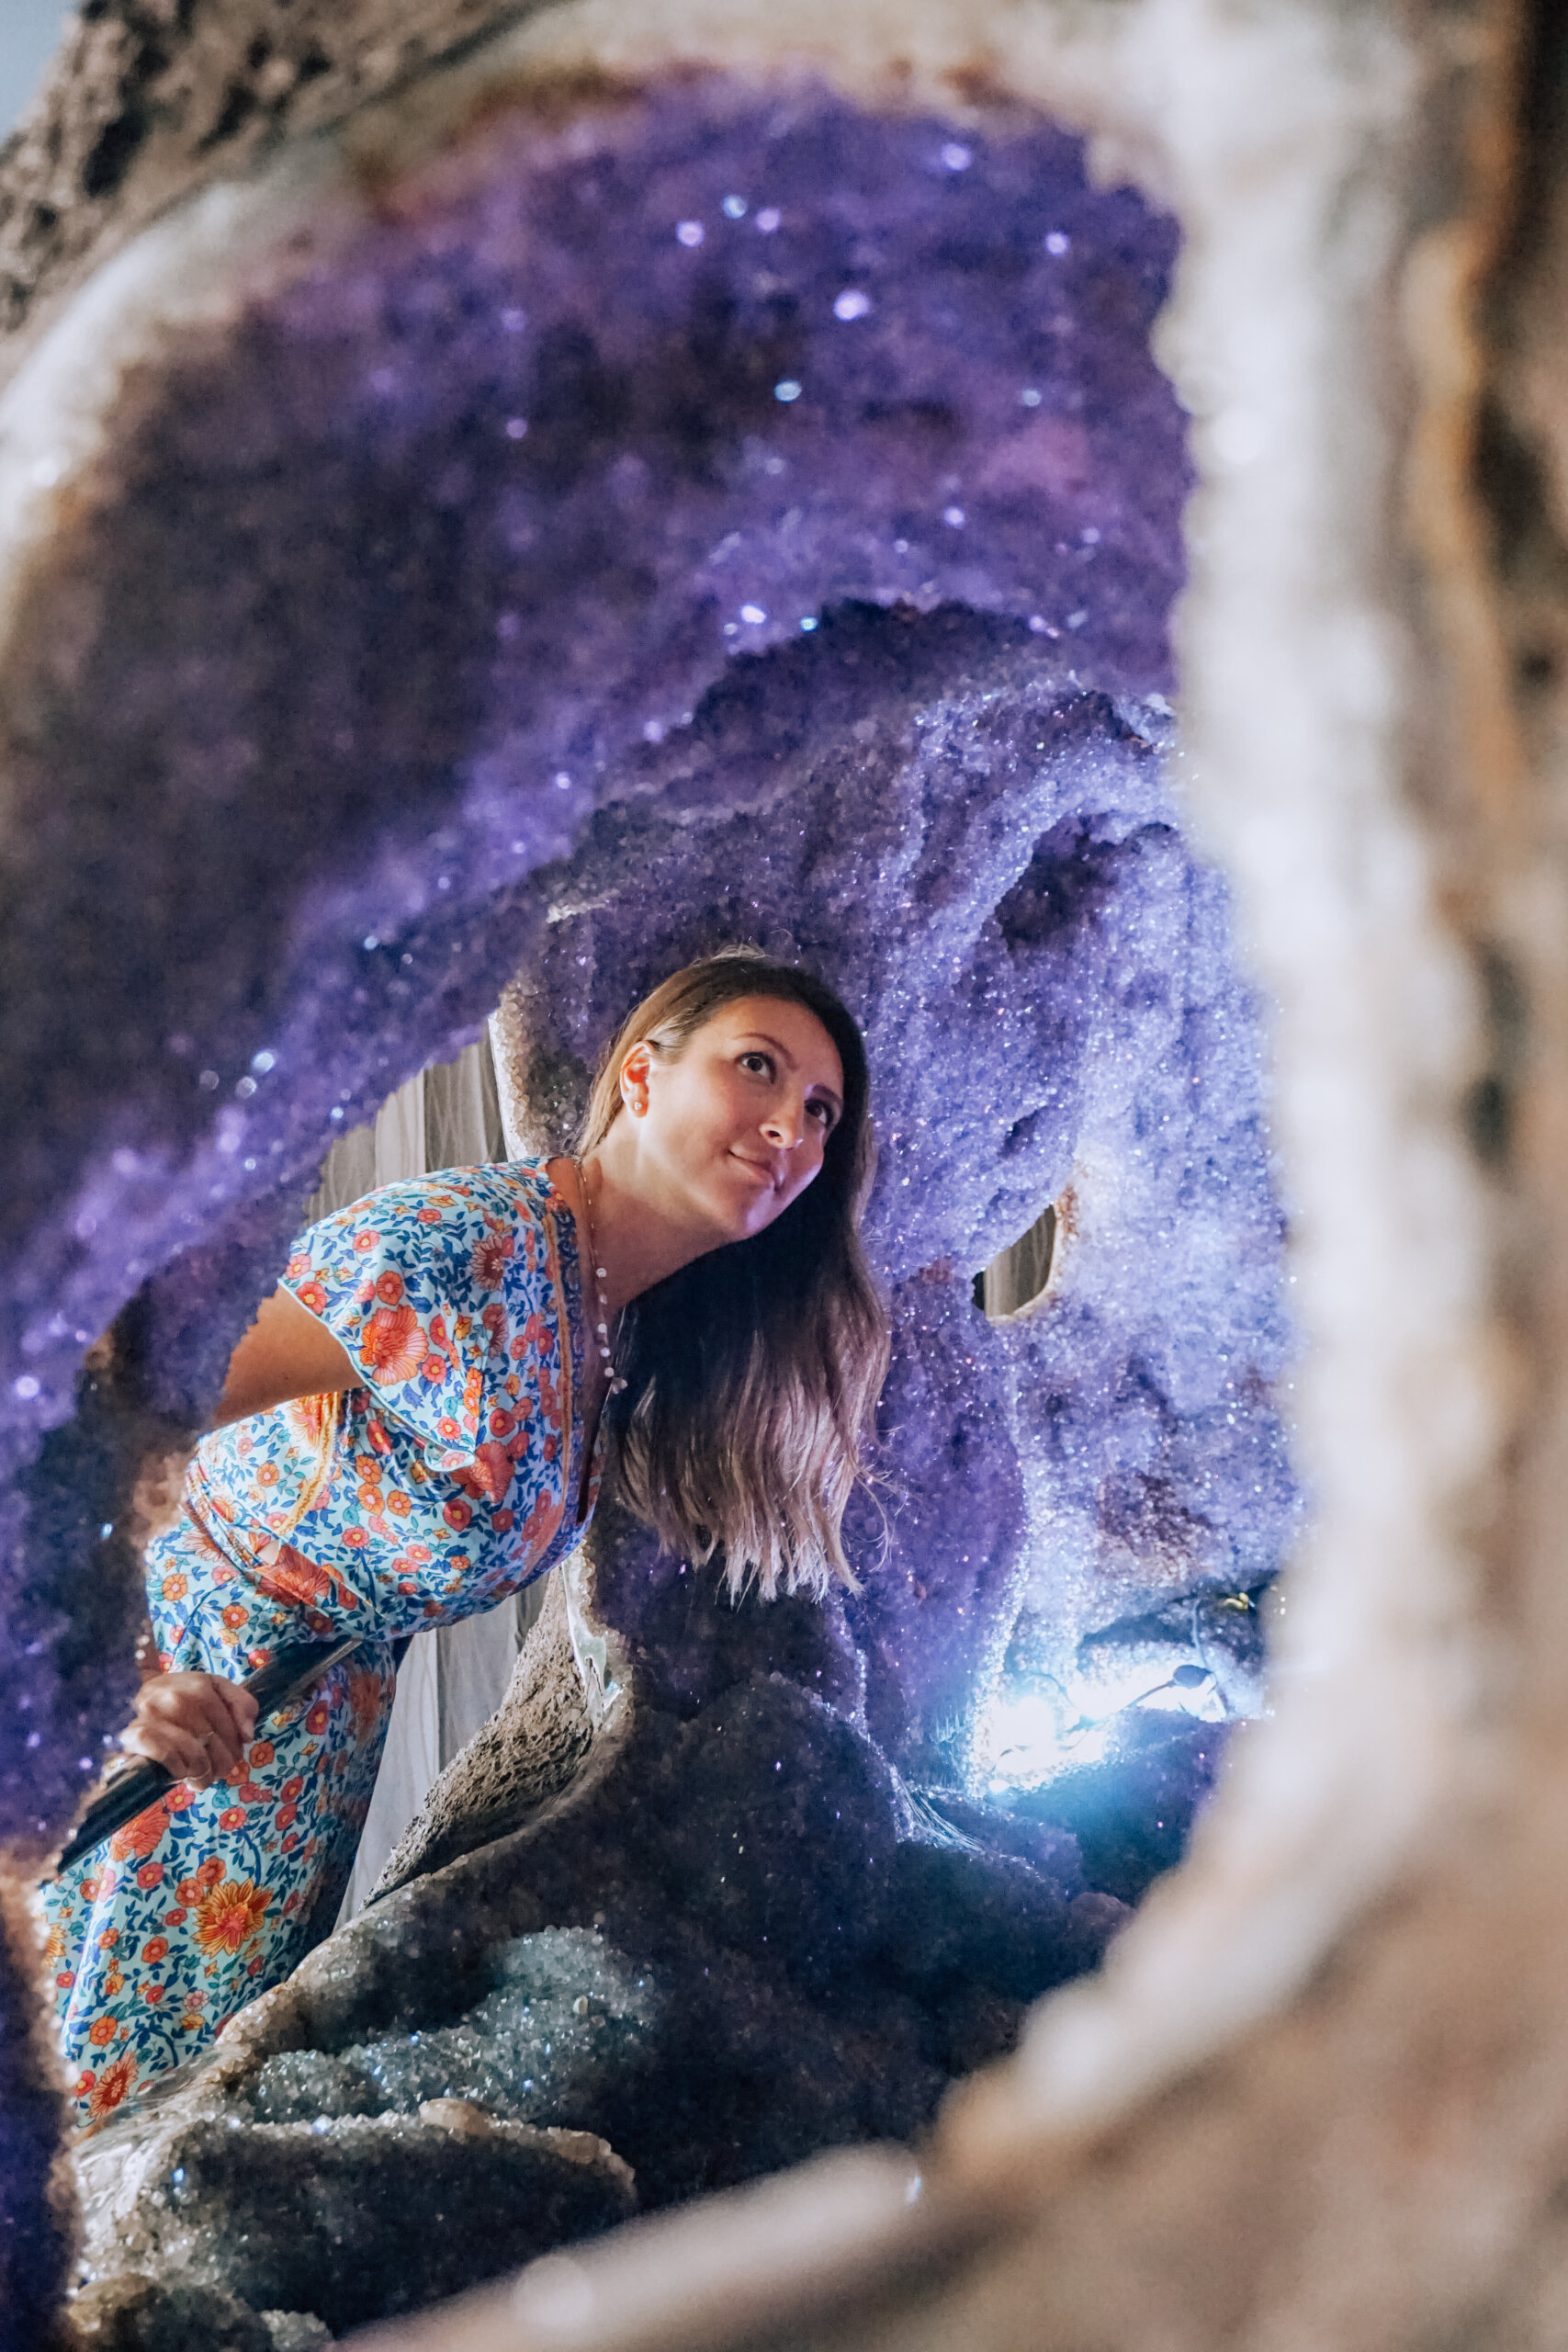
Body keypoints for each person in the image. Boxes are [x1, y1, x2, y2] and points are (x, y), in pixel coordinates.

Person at [41, 951, 887, 2130]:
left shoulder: (609, 1327)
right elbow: (92, 1410)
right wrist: (117, 1681)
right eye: (757, 1067)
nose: (791, 1125)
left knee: (134, 2147)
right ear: (640, 1078)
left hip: (293, 1759)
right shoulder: (457, 1252)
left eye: (819, 1111)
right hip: (161, 1729)